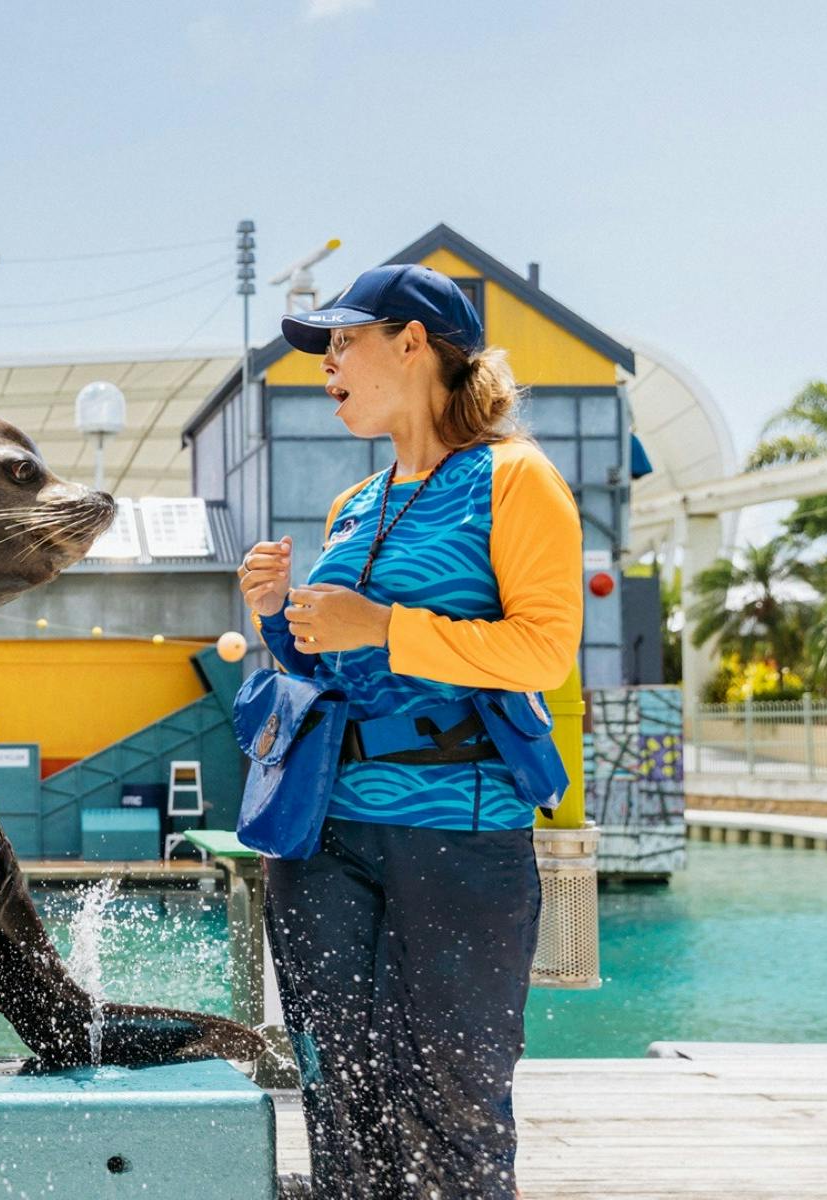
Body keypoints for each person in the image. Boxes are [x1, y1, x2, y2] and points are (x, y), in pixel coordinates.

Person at [238, 264, 583, 1199]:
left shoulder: (514, 477)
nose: (326, 364)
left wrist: (384, 625)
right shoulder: (359, 502)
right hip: (321, 835)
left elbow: (544, 651)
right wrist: (279, 616)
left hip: (460, 830)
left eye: (342, 340)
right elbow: (330, 667)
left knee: (453, 1093)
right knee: (336, 1087)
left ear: (414, 342)